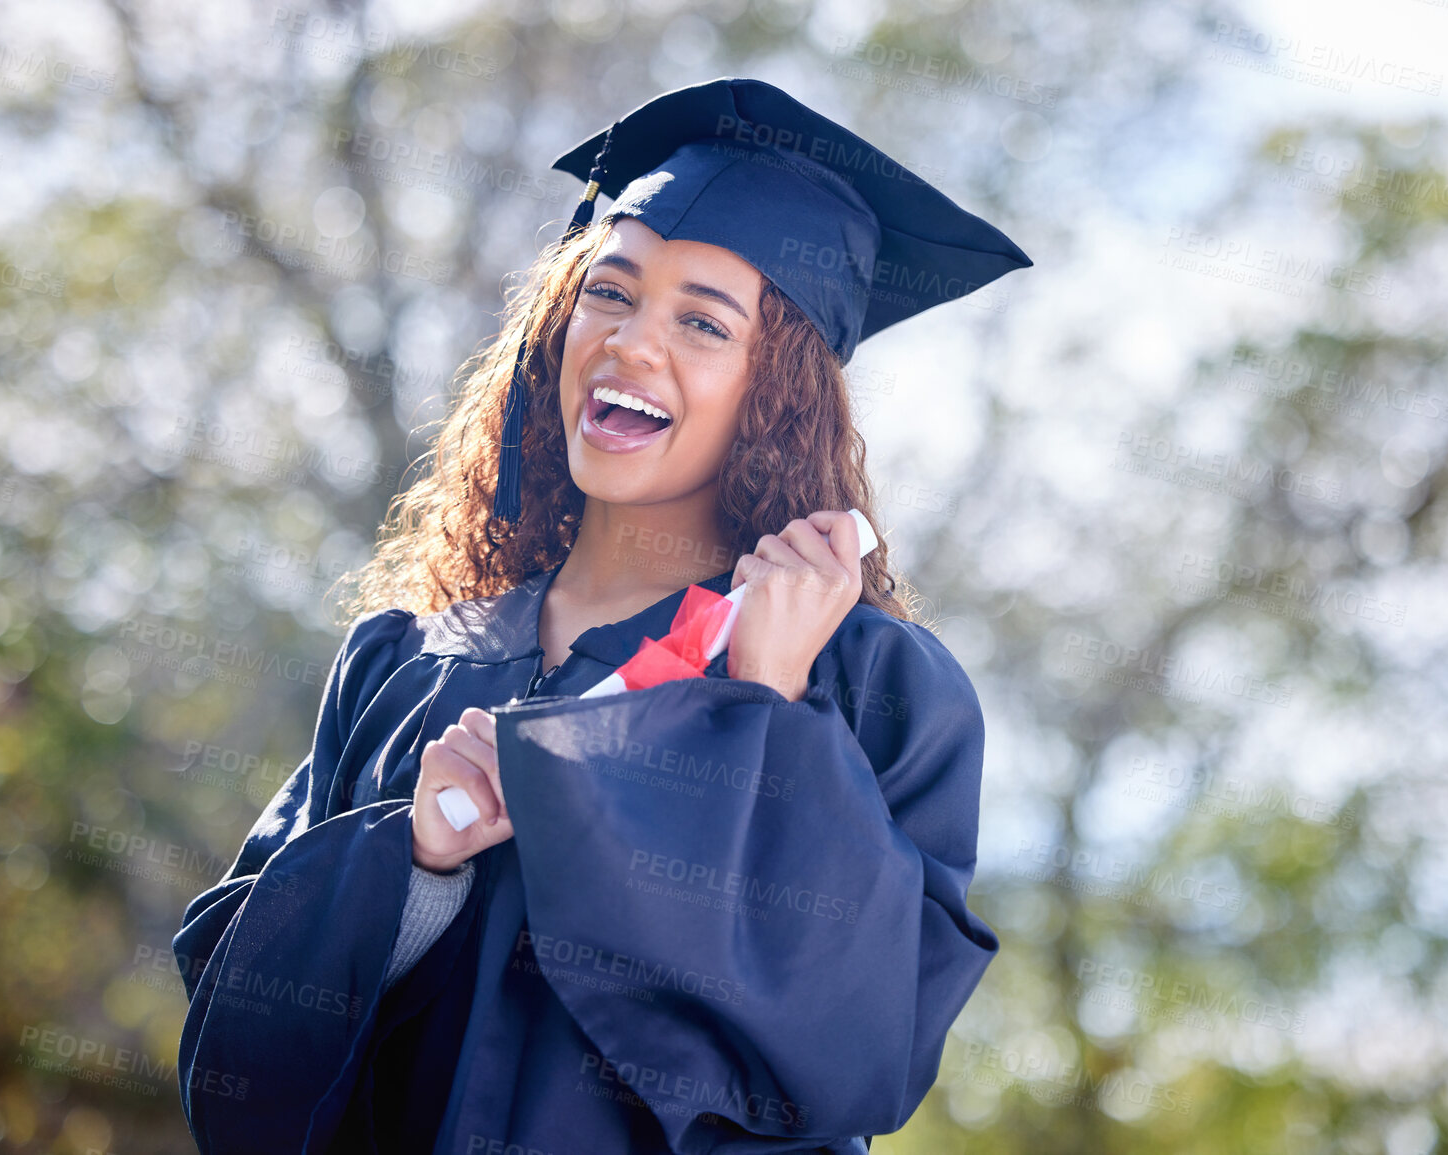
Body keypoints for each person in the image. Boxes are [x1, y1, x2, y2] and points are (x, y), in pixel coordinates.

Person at [173, 76, 1032, 1153]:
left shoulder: (869, 683)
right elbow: (233, 1035)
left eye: (703, 322)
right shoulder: (409, 662)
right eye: (610, 293)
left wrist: (761, 706)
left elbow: (864, 1047)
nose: (631, 342)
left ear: (779, 394)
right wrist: (413, 868)